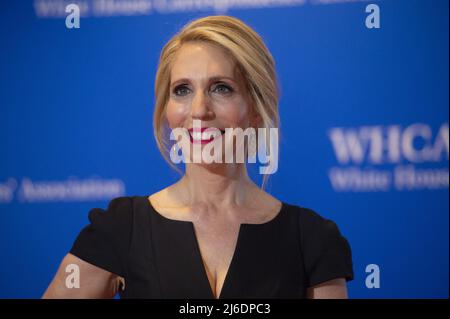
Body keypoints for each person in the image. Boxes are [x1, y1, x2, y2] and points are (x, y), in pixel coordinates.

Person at [43, 15, 353, 299]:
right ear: (166, 109)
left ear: (257, 108)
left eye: (221, 88)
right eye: (182, 90)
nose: (199, 110)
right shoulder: (121, 228)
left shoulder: (312, 239)